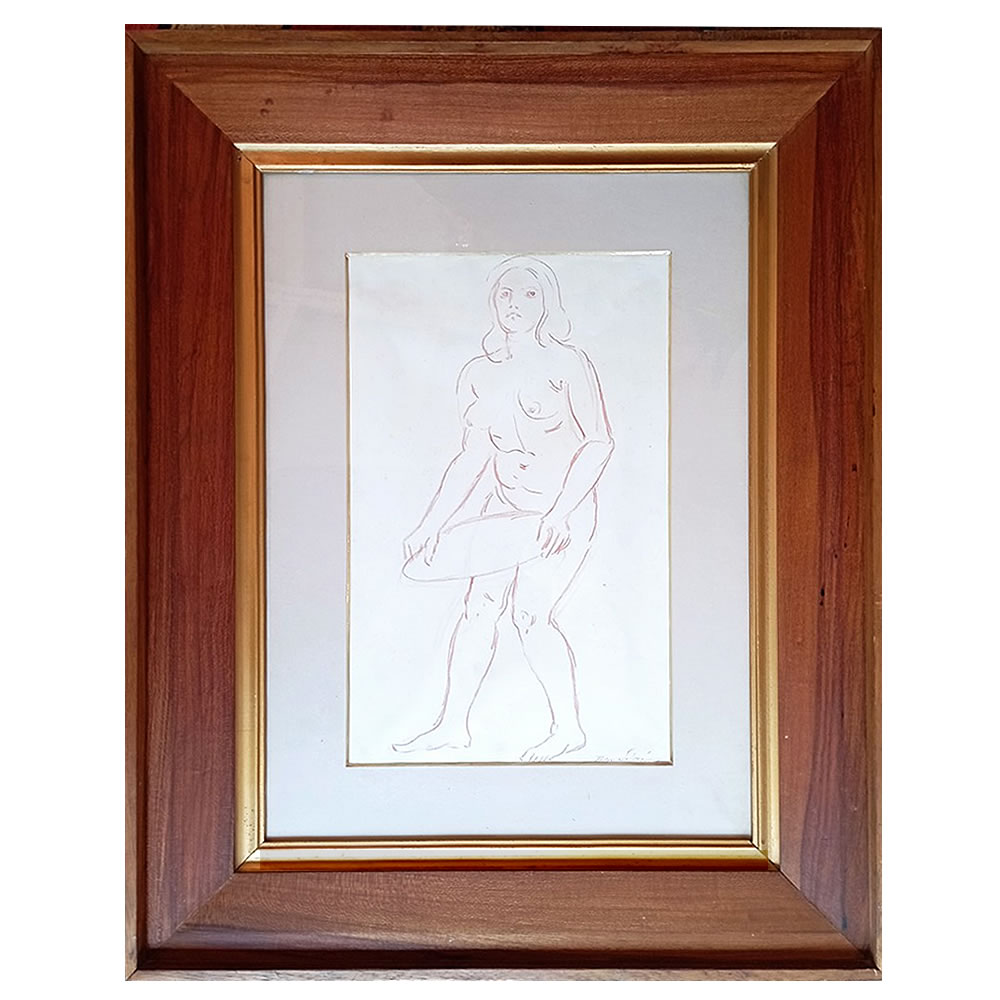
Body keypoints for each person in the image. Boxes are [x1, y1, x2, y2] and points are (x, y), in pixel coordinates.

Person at [394, 256, 614, 761]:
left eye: (529, 294)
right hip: (504, 505)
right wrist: (431, 524)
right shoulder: (478, 373)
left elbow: (599, 442)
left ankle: (568, 729)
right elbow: (472, 456)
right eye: (505, 294)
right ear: (493, 302)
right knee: (478, 609)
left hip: (562, 511)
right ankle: (452, 726)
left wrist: (560, 512)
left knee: (530, 615)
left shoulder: (569, 363)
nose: (515, 304)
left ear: (548, 302)